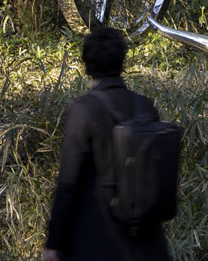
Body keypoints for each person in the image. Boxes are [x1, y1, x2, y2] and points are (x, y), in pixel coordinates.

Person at [44, 27, 172, 261]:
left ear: (86, 64)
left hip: (99, 240)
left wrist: (54, 243)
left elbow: (68, 182)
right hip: (148, 243)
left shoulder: (84, 110)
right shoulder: (145, 106)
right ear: (122, 62)